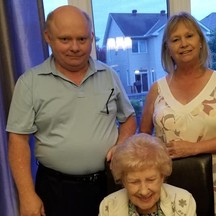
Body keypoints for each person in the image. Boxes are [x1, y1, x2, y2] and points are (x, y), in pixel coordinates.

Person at [6, 5, 136, 216]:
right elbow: (18, 142)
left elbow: (129, 119)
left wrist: (121, 145)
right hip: (56, 189)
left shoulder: (109, 75)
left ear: (91, 38)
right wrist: (27, 195)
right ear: (48, 37)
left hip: (110, 183)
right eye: (65, 39)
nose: (75, 47)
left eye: (82, 39)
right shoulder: (29, 82)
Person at [140, 12, 216, 216]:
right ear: (168, 49)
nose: (183, 43)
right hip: (168, 184)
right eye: (175, 39)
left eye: (189, 36)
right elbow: (144, 138)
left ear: (200, 41)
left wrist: (194, 148)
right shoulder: (157, 89)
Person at [99, 133, 196, 216]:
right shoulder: (109, 206)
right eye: (134, 182)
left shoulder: (184, 201)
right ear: (123, 181)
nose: (144, 191)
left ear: (162, 176)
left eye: (151, 180)